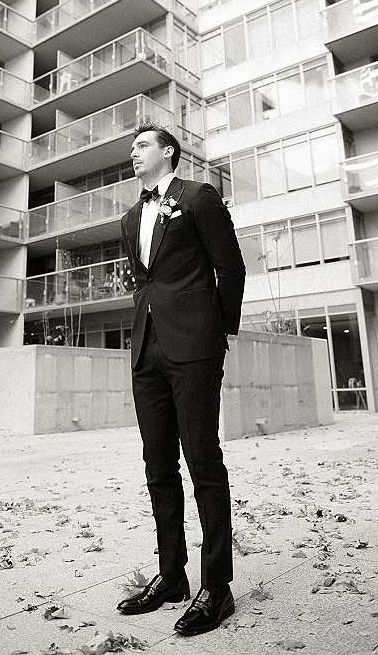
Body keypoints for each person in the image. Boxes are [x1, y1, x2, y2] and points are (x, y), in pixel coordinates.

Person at [117, 124, 246, 636]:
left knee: (202, 462)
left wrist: (218, 331)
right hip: (146, 350)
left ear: (168, 151)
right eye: (132, 148)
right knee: (158, 466)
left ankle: (217, 586)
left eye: (142, 145)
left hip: (194, 348)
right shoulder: (130, 217)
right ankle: (171, 576)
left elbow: (230, 267)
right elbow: (143, 281)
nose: (133, 153)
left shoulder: (198, 197)